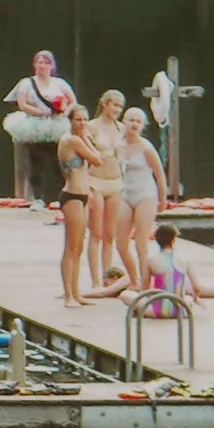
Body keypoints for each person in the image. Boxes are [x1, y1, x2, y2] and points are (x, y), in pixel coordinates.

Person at [2, 50, 77, 203]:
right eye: (39, 62)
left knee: (59, 162)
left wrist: (64, 112)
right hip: (34, 125)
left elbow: (72, 101)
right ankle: (37, 198)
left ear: (51, 66)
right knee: (36, 162)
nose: (42, 66)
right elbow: (22, 104)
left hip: (56, 125)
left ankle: (63, 197)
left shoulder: (59, 83)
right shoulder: (26, 83)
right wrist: (39, 112)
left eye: (46, 63)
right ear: (34, 64)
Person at [83, 89, 130, 284]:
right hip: (96, 182)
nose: (117, 109)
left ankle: (107, 279)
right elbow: (84, 158)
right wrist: (84, 185)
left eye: (120, 106)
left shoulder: (122, 129)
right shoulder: (91, 127)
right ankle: (95, 280)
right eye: (114, 105)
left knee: (110, 235)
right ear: (104, 104)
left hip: (116, 182)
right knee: (97, 233)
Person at [119, 107, 169, 285]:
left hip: (145, 194)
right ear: (124, 122)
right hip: (125, 194)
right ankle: (134, 279)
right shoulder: (118, 145)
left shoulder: (146, 147)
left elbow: (159, 174)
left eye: (138, 121)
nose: (134, 124)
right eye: (131, 120)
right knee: (121, 243)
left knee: (141, 243)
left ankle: (145, 284)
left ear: (143, 126)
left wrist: (163, 199)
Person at [56, 104, 98, 306]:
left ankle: (76, 292)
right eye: (78, 119)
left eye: (84, 119)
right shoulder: (71, 140)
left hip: (83, 194)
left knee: (79, 247)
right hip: (71, 195)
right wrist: (87, 137)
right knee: (70, 248)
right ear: (70, 120)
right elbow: (97, 159)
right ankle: (68, 296)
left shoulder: (78, 139)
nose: (82, 123)